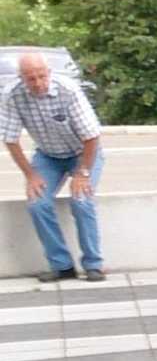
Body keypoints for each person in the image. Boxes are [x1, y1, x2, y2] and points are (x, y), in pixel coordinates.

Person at [3, 51, 106, 281]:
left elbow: (91, 136)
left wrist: (83, 173)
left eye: (42, 76)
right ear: (21, 78)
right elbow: (10, 139)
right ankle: (62, 265)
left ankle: (93, 264)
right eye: (31, 78)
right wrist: (30, 174)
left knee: (81, 200)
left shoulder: (68, 90)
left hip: (83, 153)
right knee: (37, 204)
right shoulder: (12, 95)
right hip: (48, 155)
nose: (38, 83)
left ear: (49, 72)